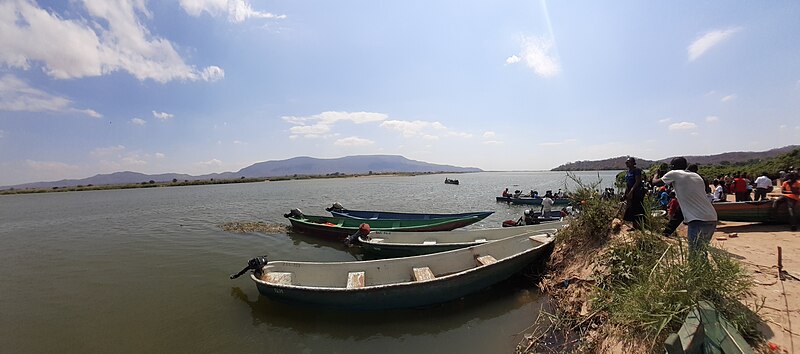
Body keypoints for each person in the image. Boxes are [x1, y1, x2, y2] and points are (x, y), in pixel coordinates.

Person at [652, 157, 718, 256]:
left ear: (673, 167)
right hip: (711, 218)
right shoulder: (696, 176)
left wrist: (656, 174)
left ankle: (697, 271)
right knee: (701, 253)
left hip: (697, 220)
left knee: (695, 255)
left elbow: (655, 183)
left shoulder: (674, 173)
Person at [622, 157, 645, 229]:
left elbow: (637, 181)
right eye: (626, 162)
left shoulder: (637, 170)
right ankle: (634, 226)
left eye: (628, 162)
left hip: (637, 192)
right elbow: (628, 184)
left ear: (633, 163)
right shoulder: (628, 172)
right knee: (631, 208)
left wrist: (632, 191)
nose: (626, 163)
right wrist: (625, 194)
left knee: (637, 208)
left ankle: (640, 226)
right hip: (630, 191)